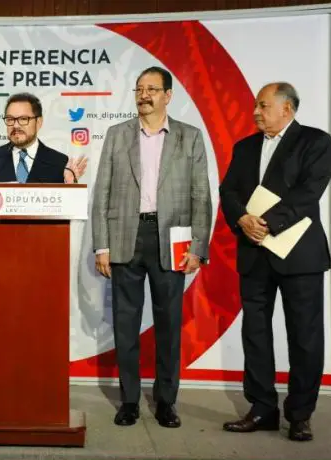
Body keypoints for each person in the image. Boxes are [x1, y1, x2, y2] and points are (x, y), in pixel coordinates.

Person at [91, 66, 212, 428]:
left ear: (168, 96)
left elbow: (201, 196)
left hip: (171, 240)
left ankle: (165, 402)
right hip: (126, 237)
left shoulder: (189, 137)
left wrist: (199, 246)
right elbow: (103, 194)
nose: (144, 95)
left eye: (152, 89)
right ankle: (129, 400)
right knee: (126, 325)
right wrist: (101, 246)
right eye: (139, 89)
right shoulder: (117, 135)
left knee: (169, 325)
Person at [219, 82, 331, 442]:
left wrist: (266, 222)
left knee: (305, 336)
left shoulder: (315, 141)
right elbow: (228, 191)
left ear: (288, 108)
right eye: (256, 105)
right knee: (255, 334)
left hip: (299, 254)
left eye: (263, 105)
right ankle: (262, 409)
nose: (256, 111)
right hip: (254, 254)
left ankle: (300, 415)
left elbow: (309, 192)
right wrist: (242, 219)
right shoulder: (245, 147)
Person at [0, 92, 87, 182]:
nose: (16, 125)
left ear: (38, 122)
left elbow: (66, 212)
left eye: (23, 119)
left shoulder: (58, 161)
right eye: (10, 119)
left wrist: (70, 186)